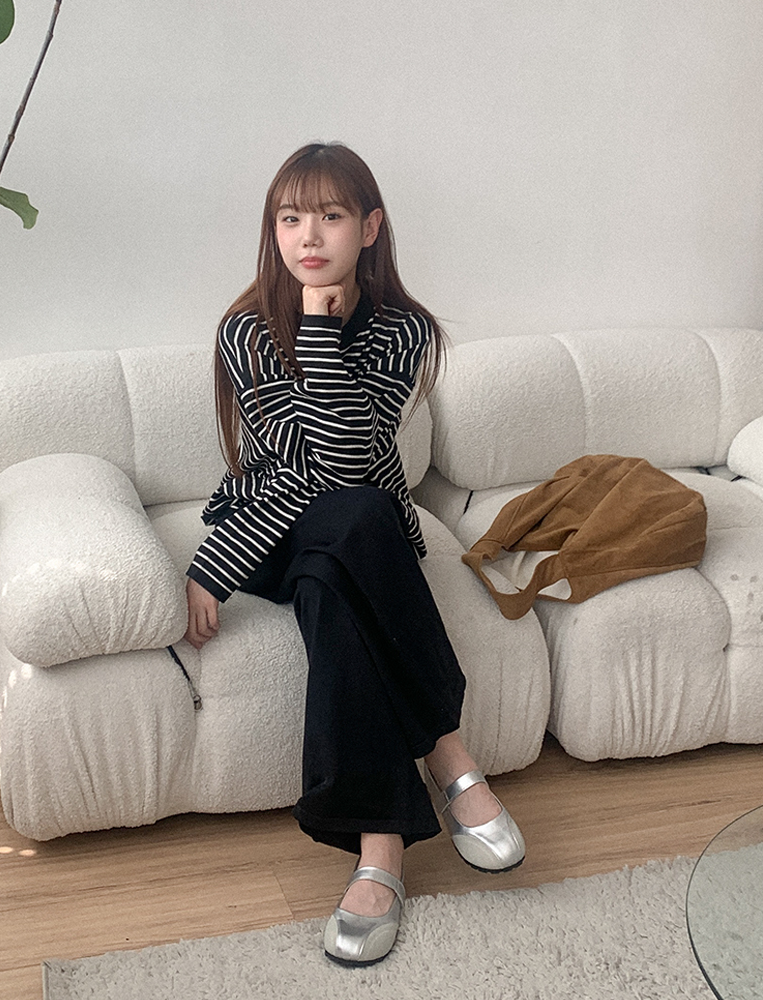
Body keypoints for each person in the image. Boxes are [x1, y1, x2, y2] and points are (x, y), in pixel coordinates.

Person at [183, 142, 525, 967]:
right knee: (353, 518)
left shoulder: (405, 330)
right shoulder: (245, 329)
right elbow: (306, 470)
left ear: (370, 227)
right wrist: (218, 562)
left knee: (345, 559)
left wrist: (322, 334)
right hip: (273, 526)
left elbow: (348, 465)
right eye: (290, 218)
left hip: (357, 537)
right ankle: (449, 753)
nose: (308, 236)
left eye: (331, 216)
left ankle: (381, 850)